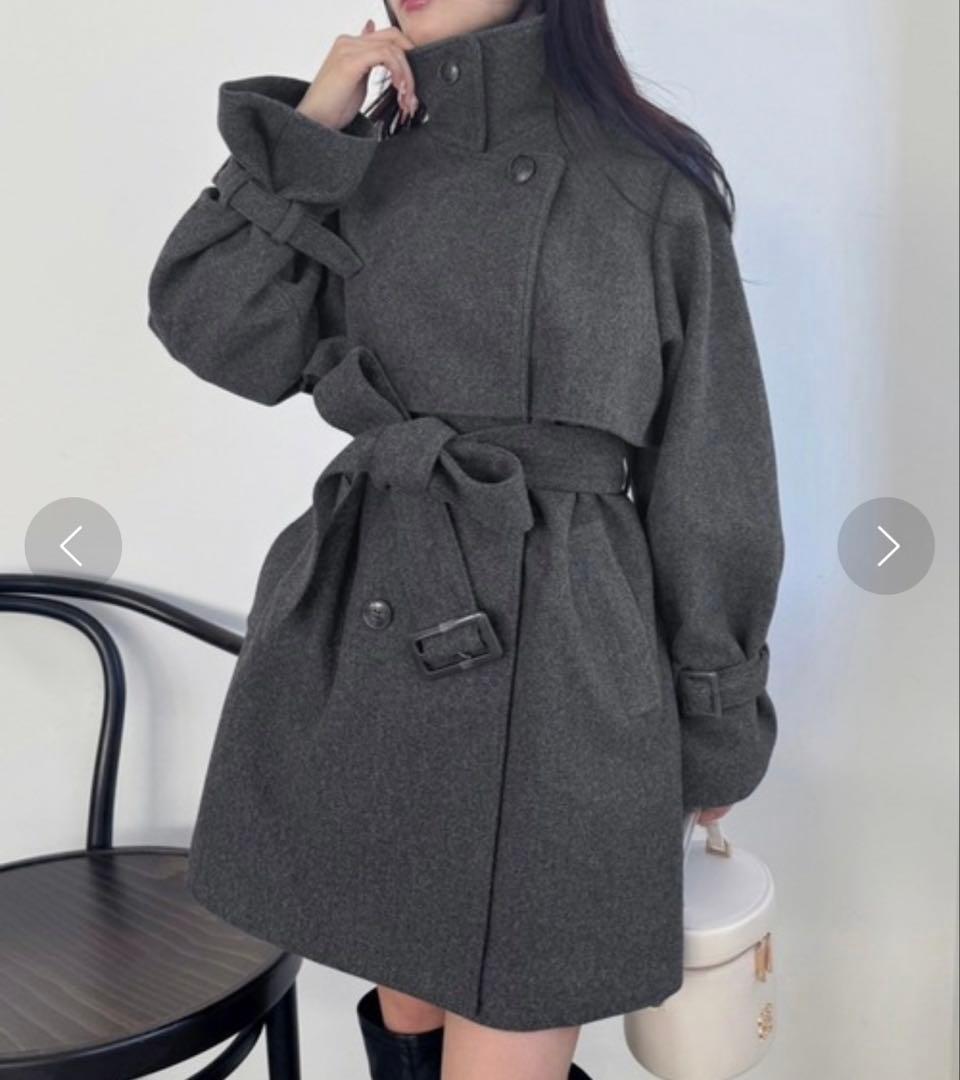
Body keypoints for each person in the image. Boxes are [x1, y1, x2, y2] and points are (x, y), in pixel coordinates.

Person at [146, 0, 785, 1077]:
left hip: (564, 668)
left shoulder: (646, 182)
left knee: (518, 1001)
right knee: (410, 1003)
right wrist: (309, 133)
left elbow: (712, 467)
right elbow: (208, 322)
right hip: (374, 624)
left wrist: (715, 713)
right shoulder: (360, 163)